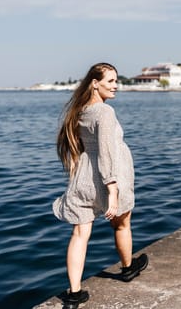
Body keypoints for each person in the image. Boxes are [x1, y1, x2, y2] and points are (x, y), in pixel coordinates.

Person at [52, 62, 148, 308]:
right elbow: (106, 153)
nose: (116, 86)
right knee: (122, 224)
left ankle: (74, 294)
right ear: (95, 84)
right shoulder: (105, 112)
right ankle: (127, 268)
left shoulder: (80, 110)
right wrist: (112, 191)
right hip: (110, 176)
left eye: (117, 81)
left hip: (84, 177)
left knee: (80, 233)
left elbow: (79, 148)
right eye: (111, 81)